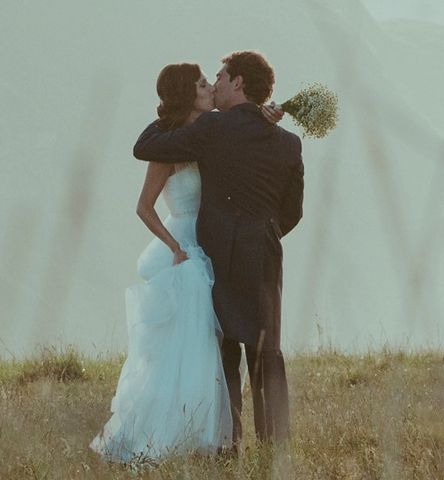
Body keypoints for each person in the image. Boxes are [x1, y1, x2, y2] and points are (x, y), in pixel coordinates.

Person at [133, 51, 304, 447]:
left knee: (225, 352)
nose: (216, 84)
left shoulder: (213, 128)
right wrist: (263, 234)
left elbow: (146, 146)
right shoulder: (289, 142)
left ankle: (228, 443)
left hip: (217, 251)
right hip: (264, 253)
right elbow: (292, 212)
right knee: (268, 352)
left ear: (239, 82)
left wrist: (169, 112)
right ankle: (276, 449)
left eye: (221, 77)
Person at [90, 64, 237, 462]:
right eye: (203, 84)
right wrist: (174, 246)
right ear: (187, 95)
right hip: (183, 251)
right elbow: (143, 206)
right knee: (182, 343)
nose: (210, 89)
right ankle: (166, 435)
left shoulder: (208, 136)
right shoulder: (167, 146)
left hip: (207, 243)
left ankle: (200, 434)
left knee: (207, 343)